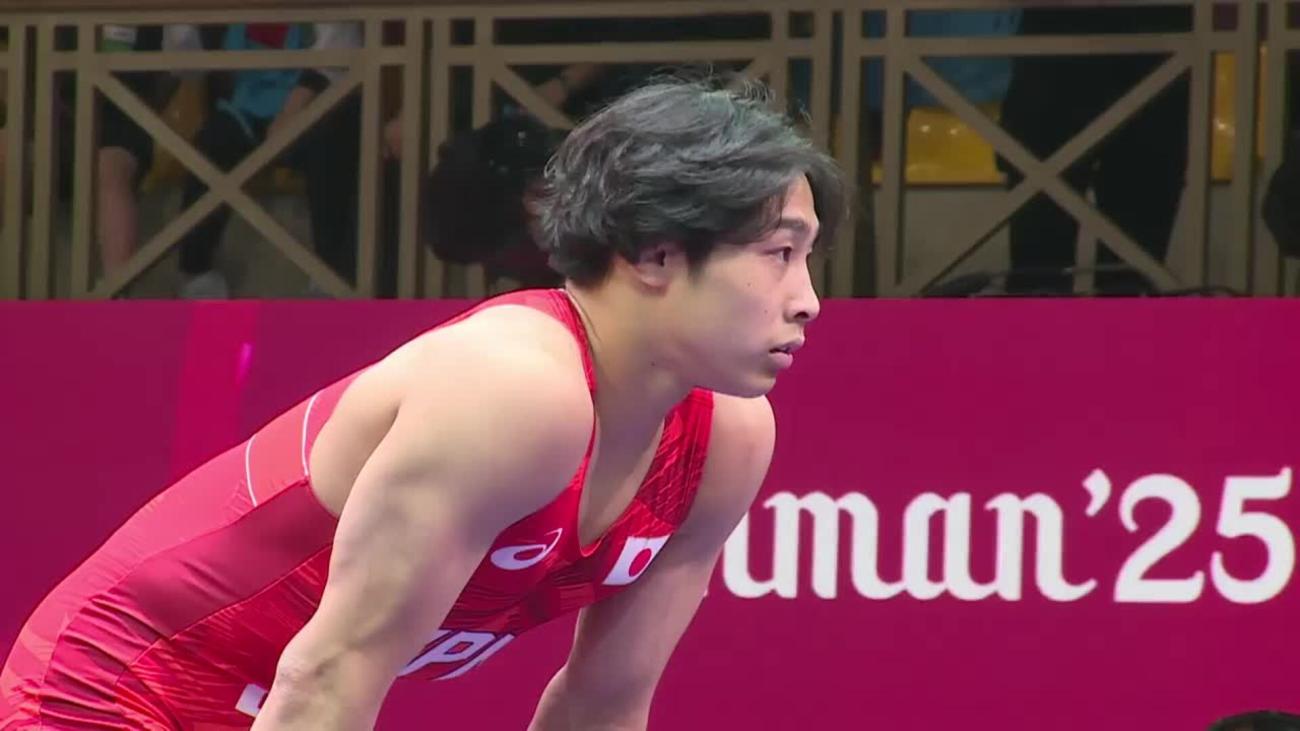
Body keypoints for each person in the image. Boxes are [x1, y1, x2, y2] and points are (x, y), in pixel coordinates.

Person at [0, 75, 845, 730]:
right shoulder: (514, 391)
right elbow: (327, 676)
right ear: (655, 253)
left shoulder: (728, 440)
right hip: (113, 691)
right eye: (779, 253)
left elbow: (604, 705)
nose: (807, 299)